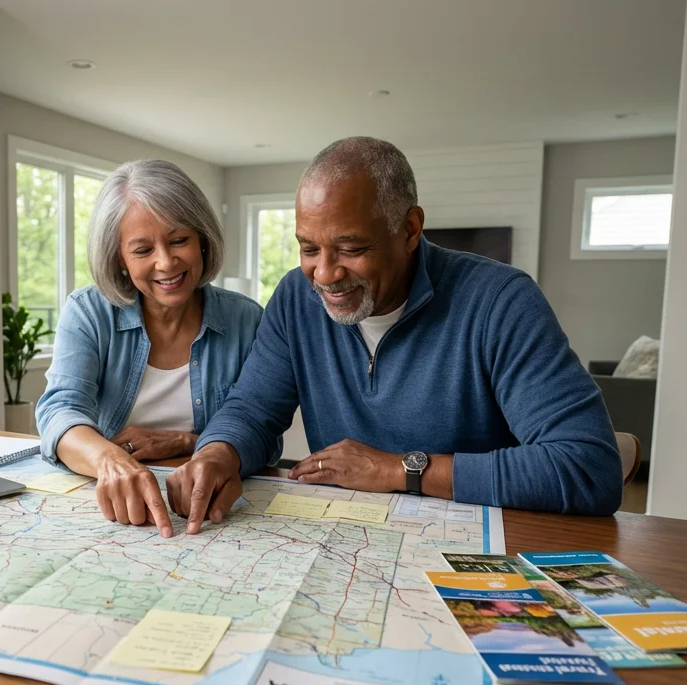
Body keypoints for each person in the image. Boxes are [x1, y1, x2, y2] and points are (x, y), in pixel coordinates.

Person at [166, 137, 622, 534]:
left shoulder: (500, 301)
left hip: (474, 545)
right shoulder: (293, 297)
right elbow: (253, 408)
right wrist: (218, 451)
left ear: (409, 229)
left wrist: (398, 468)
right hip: (348, 538)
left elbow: (589, 467)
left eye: (352, 248)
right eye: (309, 248)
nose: (324, 274)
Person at [35, 158, 272, 538]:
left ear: (202, 240)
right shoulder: (88, 312)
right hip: (116, 509)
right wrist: (110, 459)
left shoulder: (247, 320)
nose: (166, 262)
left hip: (212, 514)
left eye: (179, 240)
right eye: (143, 250)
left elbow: (264, 434)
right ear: (121, 261)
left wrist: (185, 443)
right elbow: (59, 412)